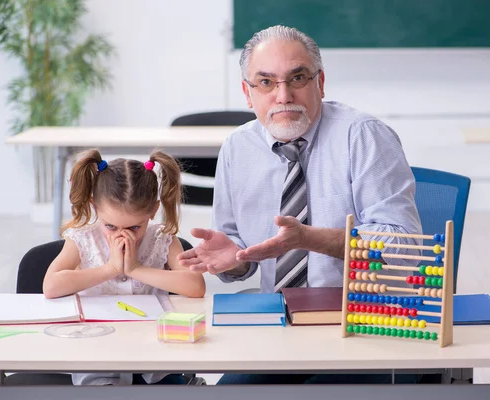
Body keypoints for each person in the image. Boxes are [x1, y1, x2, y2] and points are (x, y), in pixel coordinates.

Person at [178, 25, 423, 384]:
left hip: (364, 325)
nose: (283, 95)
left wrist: (309, 238)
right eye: (266, 82)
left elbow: (405, 248)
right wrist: (233, 261)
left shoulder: (364, 135)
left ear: (320, 83)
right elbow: (240, 259)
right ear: (248, 93)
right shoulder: (237, 148)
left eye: (297, 78)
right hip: (276, 329)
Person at [43, 148, 206, 386]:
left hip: (155, 360)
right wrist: (110, 268)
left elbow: (196, 287)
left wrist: (135, 269)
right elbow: (51, 285)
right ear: (95, 207)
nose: (122, 236)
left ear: (152, 210)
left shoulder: (162, 238)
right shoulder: (82, 238)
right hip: (97, 358)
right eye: (111, 226)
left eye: (133, 228)